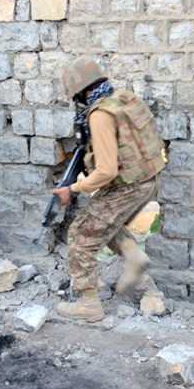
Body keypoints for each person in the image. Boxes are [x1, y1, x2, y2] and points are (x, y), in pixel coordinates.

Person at [54, 58, 165, 322]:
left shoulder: (100, 114)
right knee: (102, 223)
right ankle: (133, 256)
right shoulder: (122, 98)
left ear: (81, 91)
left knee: (81, 235)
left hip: (126, 186)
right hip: (146, 180)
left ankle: (88, 304)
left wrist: (75, 187)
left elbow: (106, 171)